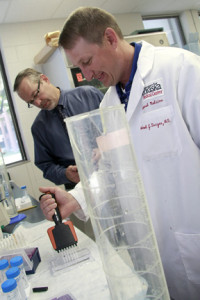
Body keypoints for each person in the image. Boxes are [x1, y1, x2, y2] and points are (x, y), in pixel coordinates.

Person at [39, 7, 200, 300]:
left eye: (87, 61)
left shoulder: (180, 69)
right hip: (156, 255)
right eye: (79, 67)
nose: (85, 75)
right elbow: (113, 171)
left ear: (110, 38)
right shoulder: (108, 104)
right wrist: (75, 198)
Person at [13, 68, 103, 190]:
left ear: (44, 79)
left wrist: (104, 148)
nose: (38, 103)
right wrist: (65, 174)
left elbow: (120, 128)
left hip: (113, 172)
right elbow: (46, 166)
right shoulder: (39, 127)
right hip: (80, 188)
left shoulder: (88, 95)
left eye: (36, 94)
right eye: (31, 102)